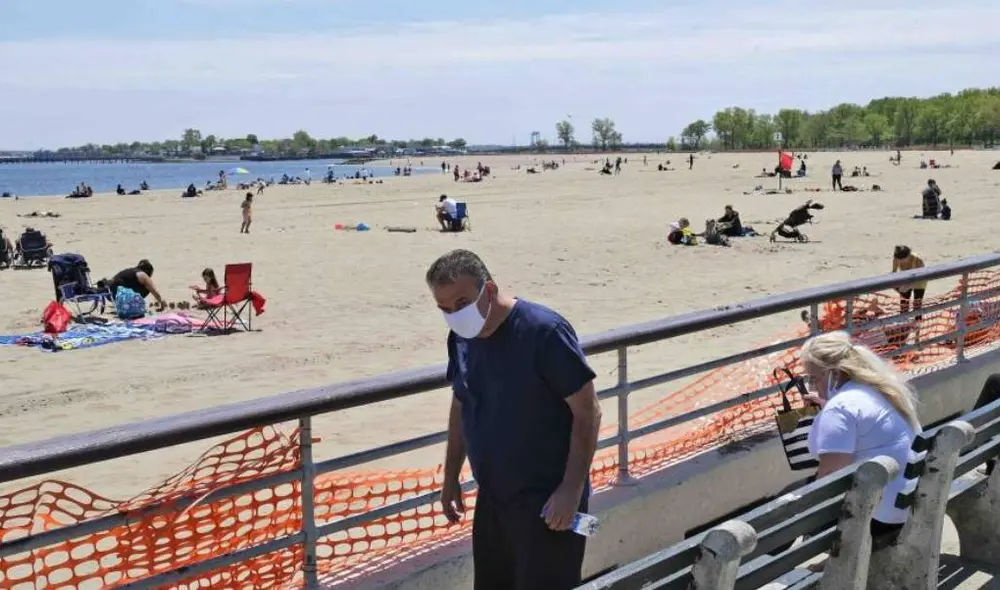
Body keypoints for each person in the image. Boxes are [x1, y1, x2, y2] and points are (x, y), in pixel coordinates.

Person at [427, 250, 600, 590]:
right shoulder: (460, 338)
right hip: (493, 498)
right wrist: (450, 476)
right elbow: (462, 401)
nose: (454, 315)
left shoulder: (544, 332)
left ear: (488, 290)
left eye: (462, 303)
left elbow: (588, 410)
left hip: (548, 503)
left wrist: (571, 489)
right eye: (444, 309)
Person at [801, 330, 921, 540]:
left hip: (880, 518)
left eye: (813, 379)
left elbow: (829, 481)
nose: (813, 386)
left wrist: (830, 412)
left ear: (834, 374)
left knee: (792, 503)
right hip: (909, 503)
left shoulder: (840, 409)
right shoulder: (882, 388)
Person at [892, 246, 926, 316]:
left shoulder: (917, 260)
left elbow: (919, 276)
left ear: (908, 255)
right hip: (906, 279)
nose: (901, 261)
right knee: (904, 303)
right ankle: (903, 321)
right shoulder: (896, 258)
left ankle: (917, 321)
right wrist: (895, 286)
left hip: (920, 280)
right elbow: (894, 273)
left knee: (917, 304)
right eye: (899, 259)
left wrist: (905, 287)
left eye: (903, 259)